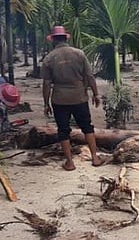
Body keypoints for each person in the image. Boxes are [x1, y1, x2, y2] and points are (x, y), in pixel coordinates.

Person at [42, 25, 104, 171]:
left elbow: (46, 83)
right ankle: (95, 157)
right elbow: (89, 76)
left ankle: (70, 162)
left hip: (59, 98)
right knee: (87, 126)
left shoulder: (49, 58)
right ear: (65, 38)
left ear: (53, 40)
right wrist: (95, 94)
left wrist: (46, 103)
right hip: (79, 97)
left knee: (63, 130)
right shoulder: (79, 54)